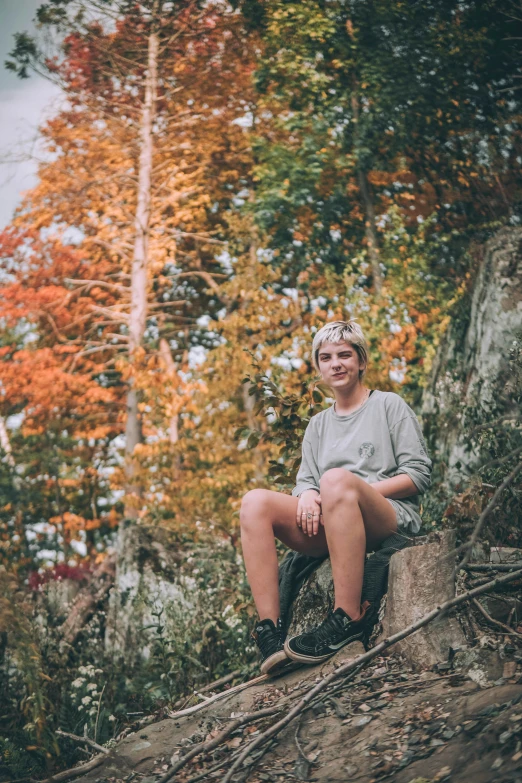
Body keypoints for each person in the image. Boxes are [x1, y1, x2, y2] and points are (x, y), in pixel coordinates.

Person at [240, 320, 432, 674]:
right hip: (332, 523)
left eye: (345, 355)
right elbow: (304, 484)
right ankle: (269, 631)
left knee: (334, 481)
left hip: (385, 517)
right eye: (326, 358)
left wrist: (346, 493)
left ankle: (347, 617)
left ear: (361, 361)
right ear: (318, 368)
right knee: (254, 501)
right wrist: (311, 495)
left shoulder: (389, 406)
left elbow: (418, 475)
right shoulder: (317, 425)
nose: (336, 364)